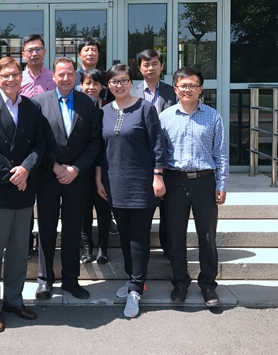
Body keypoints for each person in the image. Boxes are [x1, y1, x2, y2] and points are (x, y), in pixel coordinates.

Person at [0, 57, 45, 333]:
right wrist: (12, 175)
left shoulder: (32, 107)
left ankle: (14, 300)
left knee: (18, 251)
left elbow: (39, 144)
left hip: (24, 189)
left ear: (21, 77)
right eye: (6, 75)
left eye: (16, 75)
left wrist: (25, 169)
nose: (11, 79)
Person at [96, 64, 166, 318]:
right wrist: (98, 179)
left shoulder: (145, 108)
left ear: (130, 82)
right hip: (114, 183)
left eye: (124, 80)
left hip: (141, 183)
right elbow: (99, 149)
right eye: (114, 81)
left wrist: (158, 175)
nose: (119, 85)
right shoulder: (104, 112)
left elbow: (158, 144)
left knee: (138, 236)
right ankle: (132, 279)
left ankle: (136, 288)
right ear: (108, 85)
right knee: (124, 235)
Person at [33, 57, 102, 301]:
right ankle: (45, 280)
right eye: (61, 74)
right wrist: (54, 166)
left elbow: (95, 142)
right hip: (47, 177)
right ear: (53, 76)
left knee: (73, 230)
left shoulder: (89, 102)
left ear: (76, 76)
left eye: (70, 74)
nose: (65, 78)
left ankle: (71, 280)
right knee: (46, 231)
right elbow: (37, 141)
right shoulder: (39, 103)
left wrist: (75, 169)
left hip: (77, 179)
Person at [159, 67, 229, 308]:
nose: (187, 89)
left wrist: (222, 184)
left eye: (193, 85)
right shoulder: (165, 117)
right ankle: (180, 283)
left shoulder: (213, 116)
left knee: (207, 236)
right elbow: (159, 154)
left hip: (204, 182)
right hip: (175, 181)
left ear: (201, 89)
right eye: (183, 85)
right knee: (175, 236)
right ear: (175, 89)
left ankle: (208, 285)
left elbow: (221, 153)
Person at [130, 48, 177, 256]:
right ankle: (142, 251)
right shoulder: (132, 92)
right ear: (140, 68)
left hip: (169, 156)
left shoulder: (172, 92)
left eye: (154, 64)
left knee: (169, 209)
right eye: (146, 64)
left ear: (162, 66)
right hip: (141, 157)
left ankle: (169, 249)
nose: (150, 68)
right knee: (143, 209)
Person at [19, 34, 56, 257]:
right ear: (23, 54)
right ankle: (25, 240)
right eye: (30, 50)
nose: (34, 53)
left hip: (49, 144)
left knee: (45, 200)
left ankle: (45, 242)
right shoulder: (17, 78)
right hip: (24, 146)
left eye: (38, 49)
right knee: (25, 199)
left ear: (44, 52)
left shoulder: (53, 78)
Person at [78, 68, 112, 264]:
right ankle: (87, 248)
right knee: (84, 210)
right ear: (81, 85)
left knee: (103, 210)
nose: (91, 87)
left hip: (106, 167)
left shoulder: (109, 108)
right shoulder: (78, 106)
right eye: (87, 83)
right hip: (83, 167)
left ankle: (103, 248)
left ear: (102, 87)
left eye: (96, 83)